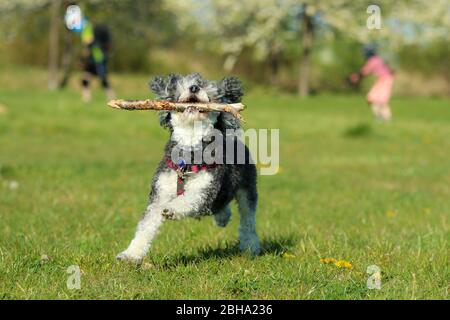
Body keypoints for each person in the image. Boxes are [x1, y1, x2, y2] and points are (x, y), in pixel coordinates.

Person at [65, 5, 115, 102]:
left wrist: (81, 60)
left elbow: (88, 45)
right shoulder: (87, 26)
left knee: (103, 80)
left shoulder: (86, 28)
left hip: (97, 58)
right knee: (86, 79)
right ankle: (87, 100)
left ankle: (113, 99)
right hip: (95, 58)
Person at [350, 46, 395, 121]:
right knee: (374, 98)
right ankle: (381, 118)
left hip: (385, 80)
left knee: (379, 100)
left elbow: (364, 72)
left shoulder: (373, 60)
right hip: (383, 79)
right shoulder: (378, 59)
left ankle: (385, 119)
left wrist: (355, 77)